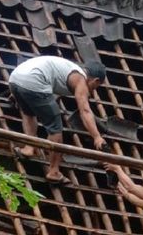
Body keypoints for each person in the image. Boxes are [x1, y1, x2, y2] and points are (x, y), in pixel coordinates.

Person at [9, 55, 106, 184]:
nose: (93, 91)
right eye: (96, 87)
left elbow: (53, 94)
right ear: (95, 80)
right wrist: (97, 137)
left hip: (15, 79)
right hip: (34, 81)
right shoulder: (80, 79)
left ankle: (28, 148)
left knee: (28, 113)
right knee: (55, 129)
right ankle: (53, 171)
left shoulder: (68, 69)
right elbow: (85, 111)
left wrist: (18, 94)